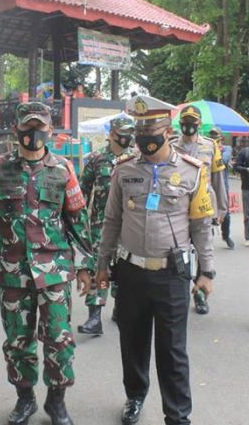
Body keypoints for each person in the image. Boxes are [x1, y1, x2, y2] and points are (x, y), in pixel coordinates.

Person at [0, 101, 93, 425]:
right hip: (13, 274)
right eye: (27, 127)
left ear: (50, 131)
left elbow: (78, 219)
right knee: (18, 342)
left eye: (40, 128)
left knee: (59, 340)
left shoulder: (63, 169)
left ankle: (56, 402)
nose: (33, 134)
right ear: (16, 130)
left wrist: (88, 264)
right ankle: (25, 399)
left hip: (55, 273)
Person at [96, 95, 216, 425]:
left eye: (153, 131)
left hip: (172, 274)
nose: (146, 138)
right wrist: (102, 265)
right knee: (132, 342)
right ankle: (135, 396)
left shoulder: (193, 172)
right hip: (131, 272)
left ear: (168, 131)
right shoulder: (124, 170)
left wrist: (207, 271)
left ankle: (177, 415)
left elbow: (201, 226)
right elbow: (112, 221)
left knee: (172, 350)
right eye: (141, 132)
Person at [77, 114, 136, 335]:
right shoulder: (96, 159)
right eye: (123, 134)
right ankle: (95, 317)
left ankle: (120, 307)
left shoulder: (136, 160)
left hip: (130, 226)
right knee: (97, 269)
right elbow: (81, 194)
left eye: (131, 134)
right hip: (100, 226)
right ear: (112, 134)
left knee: (125, 269)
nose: (128, 138)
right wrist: (79, 224)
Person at [171, 104, 228, 316]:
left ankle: (201, 293)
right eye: (185, 123)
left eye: (192, 124)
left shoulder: (211, 146)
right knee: (178, 251)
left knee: (203, 249)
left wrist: (221, 209)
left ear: (199, 125)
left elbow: (218, 179)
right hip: (177, 206)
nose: (188, 127)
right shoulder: (170, 146)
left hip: (203, 206)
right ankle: (179, 293)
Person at [209, 127, 234, 250]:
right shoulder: (206, 148)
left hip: (223, 185)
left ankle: (226, 235)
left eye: (216, 137)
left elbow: (223, 160)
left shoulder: (226, 149)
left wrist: (215, 150)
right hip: (208, 185)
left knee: (226, 213)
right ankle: (208, 236)